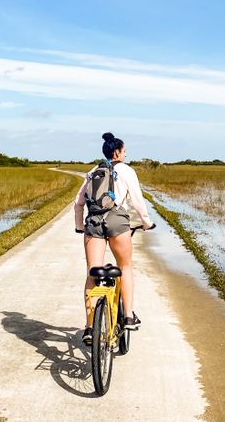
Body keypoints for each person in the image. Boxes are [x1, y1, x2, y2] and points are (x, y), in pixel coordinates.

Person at [75, 132, 155, 345]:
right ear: (117, 152)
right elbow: (138, 202)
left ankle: (90, 327)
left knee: (92, 272)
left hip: (93, 223)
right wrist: (146, 223)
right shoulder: (127, 171)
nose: (126, 155)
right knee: (125, 266)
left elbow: (78, 203)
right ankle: (128, 315)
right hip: (117, 221)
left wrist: (79, 227)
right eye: (125, 151)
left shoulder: (93, 171)